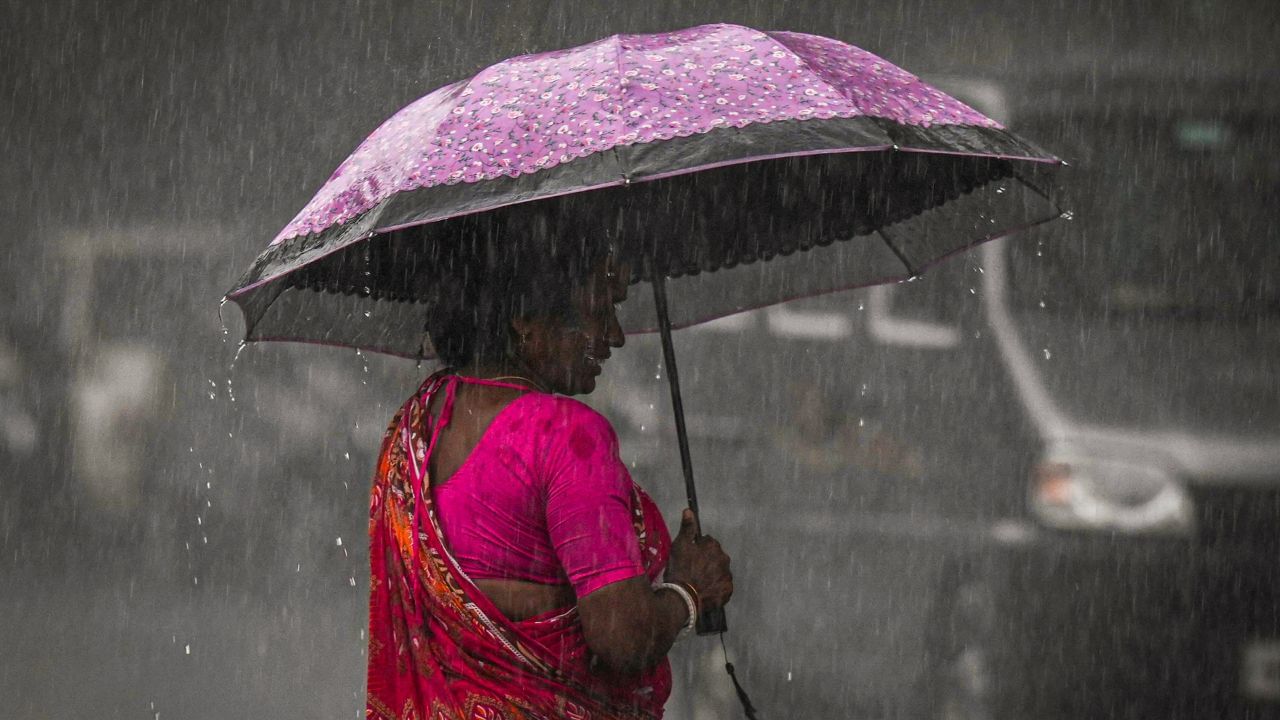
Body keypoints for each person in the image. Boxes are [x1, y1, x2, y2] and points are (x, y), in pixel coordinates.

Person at [366, 216, 734, 720]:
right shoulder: (565, 435)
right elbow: (622, 637)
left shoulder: (418, 425)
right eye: (600, 311)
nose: (616, 336)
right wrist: (689, 592)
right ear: (526, 320)